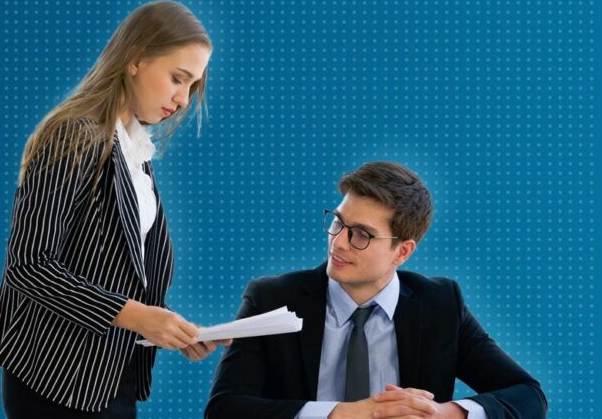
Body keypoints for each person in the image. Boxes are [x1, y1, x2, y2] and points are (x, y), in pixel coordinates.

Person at [0, 0, 227, 419]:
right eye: (177, 78)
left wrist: (170, 329)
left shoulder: (134, 151)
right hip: (55, 376)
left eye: (192, 86)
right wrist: (135, 316)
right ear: (135, 59)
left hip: (108, 375)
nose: (183, 100)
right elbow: (29, 265)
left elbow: (119, 267)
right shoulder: (72, 136)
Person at [205, 162, 547, 419]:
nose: (338, 242)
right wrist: (344, 413)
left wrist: (445, 414)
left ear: (402, 251)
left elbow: (528, 395)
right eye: (338, 222)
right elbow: (224, 408)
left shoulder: (440, 305)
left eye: (361, 234)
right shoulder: (272, 298)